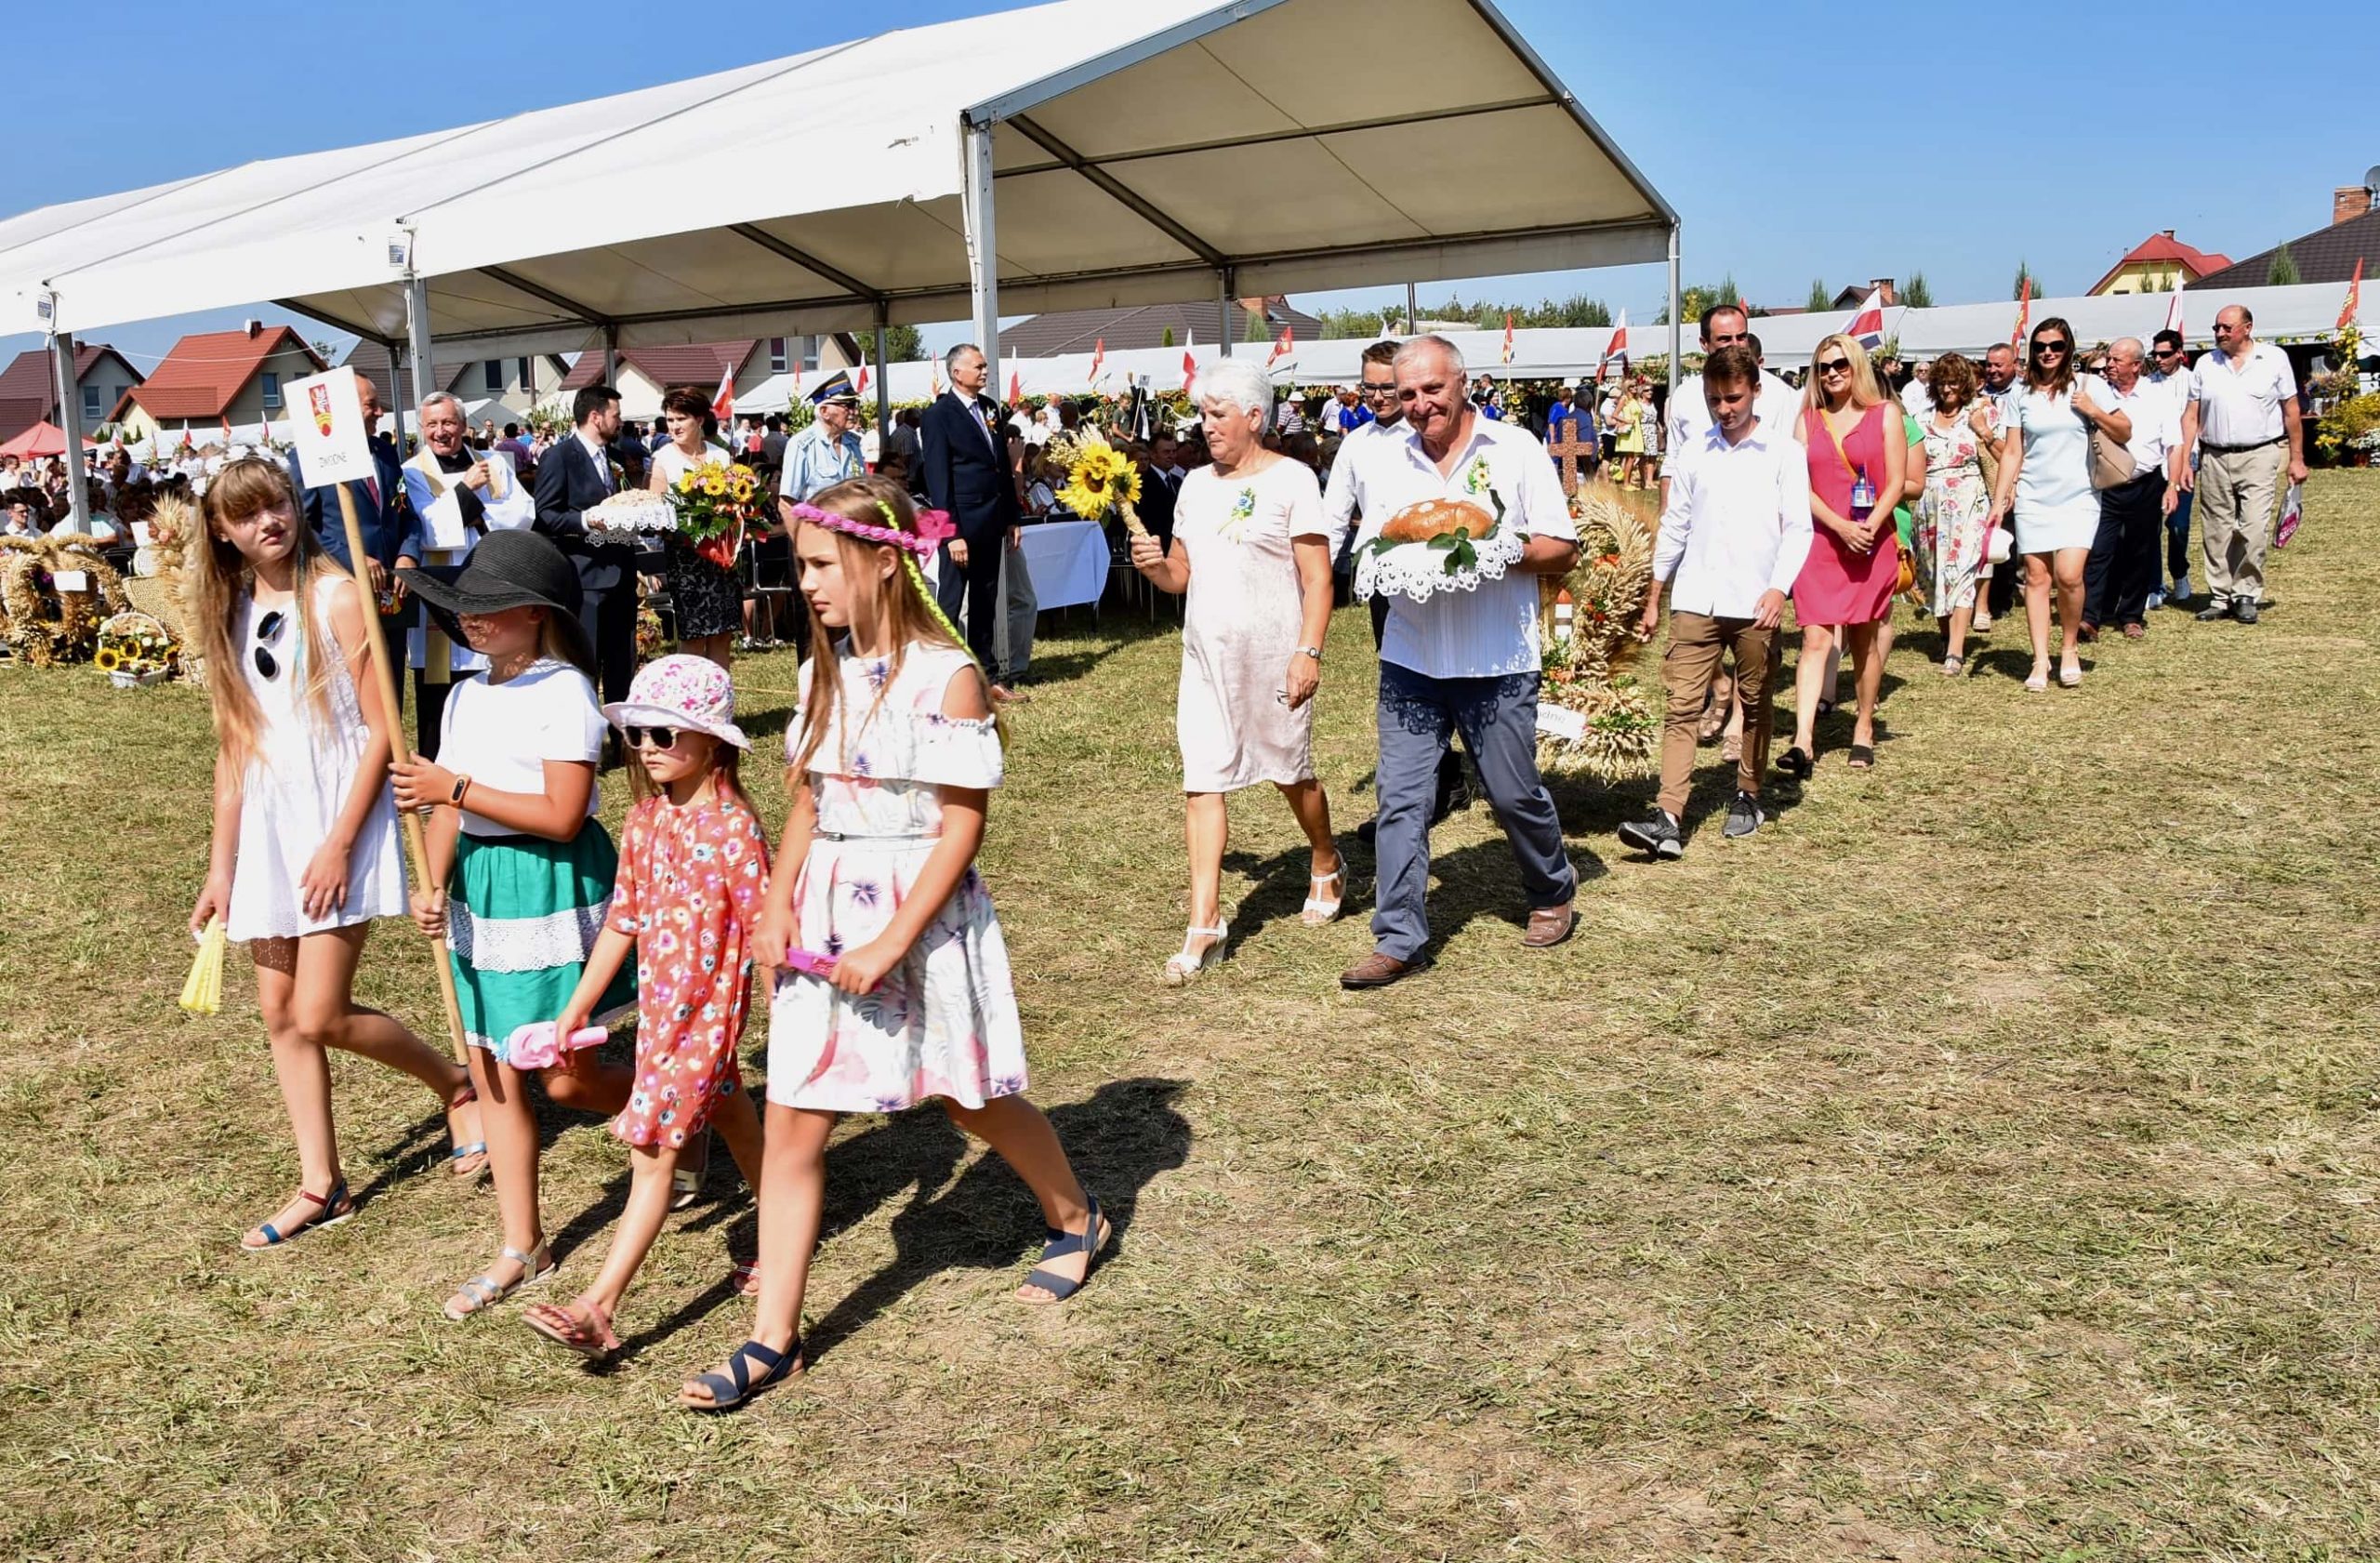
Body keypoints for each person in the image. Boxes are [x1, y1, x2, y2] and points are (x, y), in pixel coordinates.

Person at [681, 477, 1108, 1411]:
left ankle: (1074, 1216)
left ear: (883, 560)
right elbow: (806, 800)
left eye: (822, 564)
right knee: (793, 1121)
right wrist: (777, 902)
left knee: (965, 1100)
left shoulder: (943, 673)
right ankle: (773, 1338)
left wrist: (891, 939)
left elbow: (961, 826)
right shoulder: (818, 671)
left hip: (916, 911)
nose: (808, 584)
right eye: (801, 566)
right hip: (827, 916)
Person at [181, 457, 485, 1249]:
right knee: (281, 1013)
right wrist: (224, 866)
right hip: (272, 829)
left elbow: (385, 726)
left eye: (276, 504)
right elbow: (233, 750)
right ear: (222, 530)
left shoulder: (338, 595)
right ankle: (323, 1182)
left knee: (321, 1010)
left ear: (296, 504)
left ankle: (454, 1083)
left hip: (337, 816)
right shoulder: (234, 611)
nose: (267, 522)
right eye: (245, 515)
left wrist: (340, 842)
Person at [390, 530, 638, 1320]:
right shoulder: (464, 693)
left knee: (565, 1074)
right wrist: (434, 881)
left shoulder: (566, 691)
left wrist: (453, 786)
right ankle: (521, 1242)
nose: (471, 622)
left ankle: (684, 1108)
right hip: (484, 888)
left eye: (487, 610)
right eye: (465, 609)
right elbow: (445, 809)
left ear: (533, 613)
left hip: (549, 881)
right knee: (494, 1067)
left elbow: (564, 816)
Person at [520, 656, 772, 1356]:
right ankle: (783, 1235)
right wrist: (576, 1010)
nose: (652, 746)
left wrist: (791, 1015)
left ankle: (598, 1306)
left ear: (712, 739)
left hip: (708, 1019)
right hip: (661, 1018)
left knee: (655, 1153)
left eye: (667, 731)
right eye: (640, 734)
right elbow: (623, 923)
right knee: (736, 1117)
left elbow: (766, 934)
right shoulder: (644, 822)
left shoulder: (734, 831)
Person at [1338, 337, 1580, 990]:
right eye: (1407, 393)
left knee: (1510, 791)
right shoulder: (1386, 462)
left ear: (1462, 383)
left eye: (1431, 391)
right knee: (1401, 800)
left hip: (1495, 655)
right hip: (1412, 658)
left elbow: (1563, 546)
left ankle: (1553, 885)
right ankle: (1399, 937)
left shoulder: (1516, 449)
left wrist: (1495, 548)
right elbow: (1372, 544)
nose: (1419, 405)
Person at [1129, 358, 1343, 985]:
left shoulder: (1294, 480)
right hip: (1205, 657)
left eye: (1217, 414)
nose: (1206, 426)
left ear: (1254, 417)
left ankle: (1326, 859)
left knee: (1290, 773)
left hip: (1274, 655)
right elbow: (1180, 574)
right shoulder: (1194, 485)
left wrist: (1309, 650)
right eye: (1203, 413)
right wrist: (1152, 570)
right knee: (1203, 779)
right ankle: (1205, 922)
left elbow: (1318, 577)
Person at [1620, 345, 1812, 857]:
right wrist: (1656, 593)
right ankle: (1667, 815)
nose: (1724, 409)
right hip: (1695, 599)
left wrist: (1779, 587)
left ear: (1755, 392)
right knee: (1682, 705)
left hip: (1755, 602)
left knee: (1753, 703)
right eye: (1714, 400)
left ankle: (1749, 794)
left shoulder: (1783, 454)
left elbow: (1799, 529)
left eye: (1733, 398)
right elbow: (1676, 525)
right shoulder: (1693, 453)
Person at [1328, 339, 1470, 840]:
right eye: (1368, 387)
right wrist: (1318, 583)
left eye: (1388, 387)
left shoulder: (1432, 439)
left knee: (1454, 678)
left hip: (1447, 578)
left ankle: (1454, 774)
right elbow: (1333, 519)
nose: (1377, 396)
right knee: (1405, 685)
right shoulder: (1357, 443)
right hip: (1388, 584)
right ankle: (1424, 788)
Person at [1780, 334, 1905, 775]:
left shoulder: (1885, 414)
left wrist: (1869, 525)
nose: (1831, 373)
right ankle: (1803, 739)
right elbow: (1799, 487)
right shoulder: (1807, 421)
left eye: (1839, 365)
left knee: (1864, 639)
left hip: (1871, 542)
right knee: (1815, 638)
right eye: (1822, 367)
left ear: (1856, 367)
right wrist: (1838, 525)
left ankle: (1864, 726)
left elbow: (1897, 479)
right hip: (1820, 542)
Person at [1986, 318, 2131, 691]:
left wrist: (2094, 411)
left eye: (2056, 346)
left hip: (2080, 494)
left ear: (2068, 349)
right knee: (2036, 577)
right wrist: (2000, 500)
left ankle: (2068, 648)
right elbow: (2014, 450)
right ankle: (2039, 659)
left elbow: (2125, 430)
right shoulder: (2021, 394)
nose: (2048, 353)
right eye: (2040, 346)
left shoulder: (2090, 385)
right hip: (2035, 494)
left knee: (2069, 575)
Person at [395, 392, 535, 758]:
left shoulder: (493, 463)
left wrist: (479, 517)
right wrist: (466, 492)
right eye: (432, 424)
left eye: (448, 423)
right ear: (422, 429)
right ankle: (436, 762)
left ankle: (495, 759)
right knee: (439, 681)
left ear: (463, 425)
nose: (441, 432)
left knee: (492, 670)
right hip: (440, 587)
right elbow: (423, 526)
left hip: (488, 579)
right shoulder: (412, 471)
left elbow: (523, 513)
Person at [2179, 304, 2305, 625]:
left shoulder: (2274, 359)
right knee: (2216, 529)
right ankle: (2221, 596)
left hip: (2260, 454)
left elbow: (2291, 411)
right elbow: (2191, 415)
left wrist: (2297, 458)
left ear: (2247, 328)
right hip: (2216, 455)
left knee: (2253, 527)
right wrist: (2183, 461)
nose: (2219, 333)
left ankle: (2246, 592)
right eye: (2216, 328)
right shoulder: (2206, 364)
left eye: (2226, 328)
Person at [919, 345, 1025, 698]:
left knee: (985, 599)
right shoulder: (938, 415)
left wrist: (1011, 516)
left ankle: (988, 675)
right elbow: (938, 479)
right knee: (950, 602)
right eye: (978, 366)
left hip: (991, 520)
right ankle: (940, 676)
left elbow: (1001, 468)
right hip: (960, 525)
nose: (984, 372)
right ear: (956, 372)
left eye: (985, 366)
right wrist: (951, 534)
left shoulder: (989, 409)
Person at [531, 384, 639, 709]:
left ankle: (623, 737)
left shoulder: (616, 457)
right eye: (615, 415)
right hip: (584, 577)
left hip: (621, 571)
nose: (620, 422)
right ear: (596, 416)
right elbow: (546, 513)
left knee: (622, 661)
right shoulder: (559, 457)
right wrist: (585, 521)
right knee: (586, 661)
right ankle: (586, 737)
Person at [2082, 338, 2184, 641]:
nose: (2110, 365)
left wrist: (2173, 486)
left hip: (2146, 484)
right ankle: (2091, 617)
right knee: (2099, 550)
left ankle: (2131, 615)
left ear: (2137, 365)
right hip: (2105, 485)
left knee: (2140, 551)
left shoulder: (2158, 396)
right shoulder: (2096, 395)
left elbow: (2174, 446)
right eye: (2109, 360)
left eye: (2117, 360)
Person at [1911, 354, 2000, 674]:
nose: (1947, 388)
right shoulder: (1920, 418)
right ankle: (1946, 635)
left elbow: (2008, 455)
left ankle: (1956, 651)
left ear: (1965, 384)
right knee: (1933, 574)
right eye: (1941, 382)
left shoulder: (1981, 413)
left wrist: (1985, 433)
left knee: (1963, 574)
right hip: (1929, 504)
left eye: (1954, 382)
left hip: (1969, 499)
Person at [649, 384, 744, 669]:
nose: (675, 426)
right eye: (670, 419)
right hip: (687, 559)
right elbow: (655, 516)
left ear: (700, 420)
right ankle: (689, 705)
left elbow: (737, 501)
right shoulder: (663, 459)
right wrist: (689, 532)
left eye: (681, 419)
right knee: (693, 637)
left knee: (723, 635)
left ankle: (720, 706)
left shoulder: (721, 456)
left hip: (723, 559)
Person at [1977, 342, 2026, 630]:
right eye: (1989, 365)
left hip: (2012, 473)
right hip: (1982, 476)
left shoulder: (2023, 394)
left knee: (2006, 539)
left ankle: (2001, 599)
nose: (1993, 370)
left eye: (1999, 365)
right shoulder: (1978, 396)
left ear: (2014, 365)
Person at [2147, 329, 2196, 607]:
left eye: (2164, 354)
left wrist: (2188, 459)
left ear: (2179, 353)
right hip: (2156, 461)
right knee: (2150, 527)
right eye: (2155, 354)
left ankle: (2180, 571)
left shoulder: (2192, 381)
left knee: (2178, 526)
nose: (2159, 359)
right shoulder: (2148, 384)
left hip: (2186, 458)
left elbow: (2196, 421)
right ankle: (2155, 584)